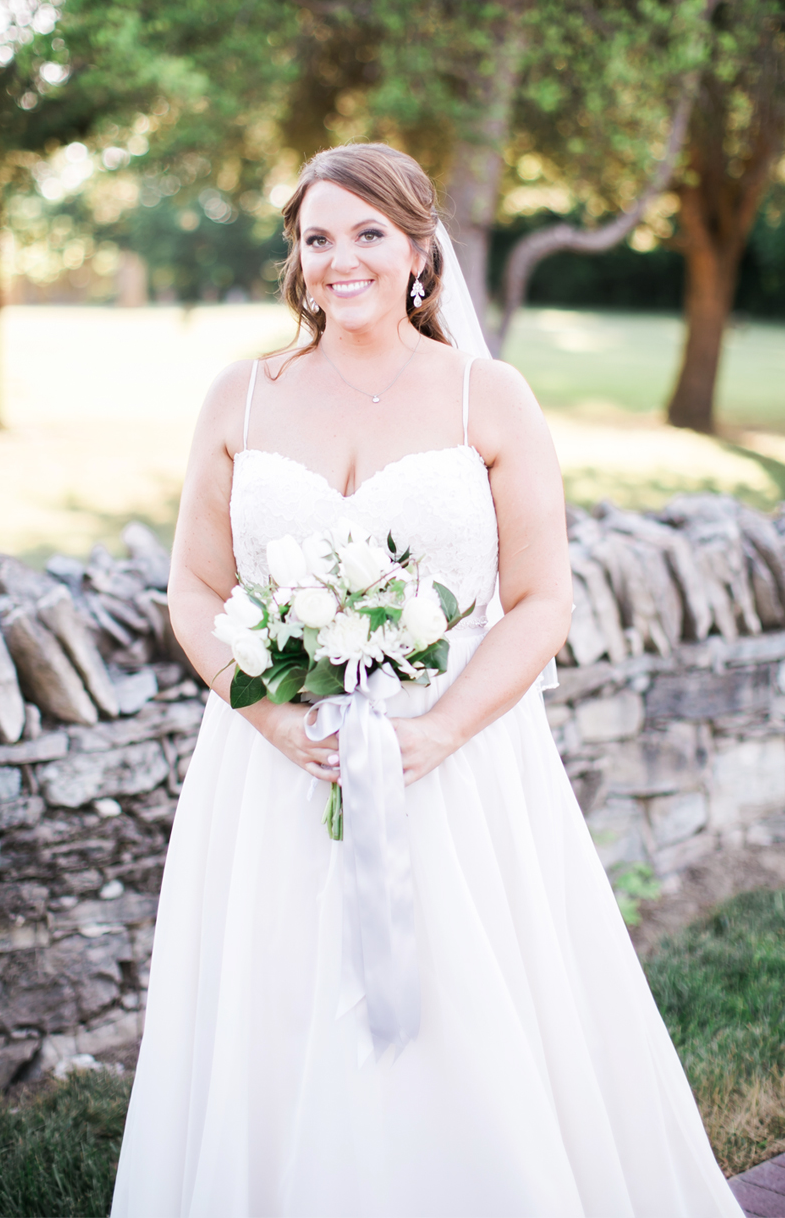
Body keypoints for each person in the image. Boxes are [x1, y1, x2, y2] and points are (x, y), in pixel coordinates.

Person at [110, 142, 739, 1216]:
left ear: (417, 252)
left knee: (470, 1008)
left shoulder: (485, 397)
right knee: (276, 1010)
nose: (338, 258)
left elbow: (542, 599)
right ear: (295, 260)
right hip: (275, 765)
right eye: (316, 238)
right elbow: (193, 591)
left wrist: (439, 731)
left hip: (456, 763)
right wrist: (268, 718)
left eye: (366, 234)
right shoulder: (240, 399)